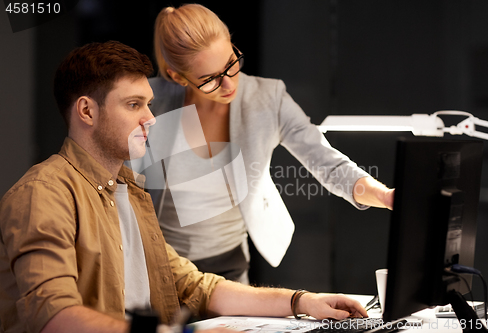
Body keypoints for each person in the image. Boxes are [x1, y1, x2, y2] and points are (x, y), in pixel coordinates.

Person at [0, 40, 368, 333]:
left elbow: (194, 285)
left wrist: (303, 302)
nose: (150, 118)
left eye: (148, 104)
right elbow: (53, 317)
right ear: (86, 111)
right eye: (133, 105)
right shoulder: (43, 194)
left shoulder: (129, 191)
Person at [147, 4, 394, 283]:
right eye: (210, 79)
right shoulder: (150, 101)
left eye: (231, 64)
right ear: (177, 76)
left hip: (230, 266)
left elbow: (327, 162)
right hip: (162, 265)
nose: (229, 85)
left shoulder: (266, 98)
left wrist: (384, 196)